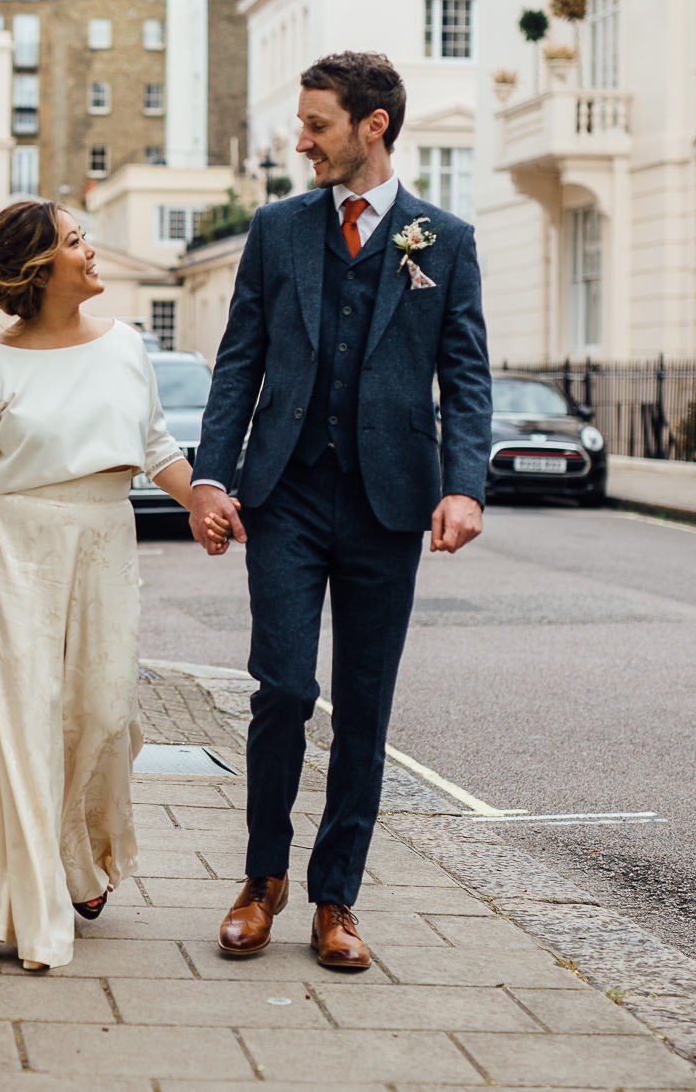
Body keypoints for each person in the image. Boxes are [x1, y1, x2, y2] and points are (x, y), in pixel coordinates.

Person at [188, 51, 492, 971]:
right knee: (282, 688)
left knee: (365, 704)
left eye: (316, 123)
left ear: (374, 127)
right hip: (284, 490)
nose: (301, 139)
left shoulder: (444, 238)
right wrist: (211, 475)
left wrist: (465, 483)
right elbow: (240, 359)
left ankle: (335, 898)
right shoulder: (277, 229)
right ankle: (261, 878)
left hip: (390, 502)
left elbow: (467, 373)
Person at [0, 199, 204, 973]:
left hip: (106, 539)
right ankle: (37, 901)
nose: (92, 250)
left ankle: (80, 855)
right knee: (25, 720)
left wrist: (208, 503)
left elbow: (156, 445)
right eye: (76, 240)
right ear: (38, 270)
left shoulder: (126, 345)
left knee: (104, 711)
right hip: (20, 545)